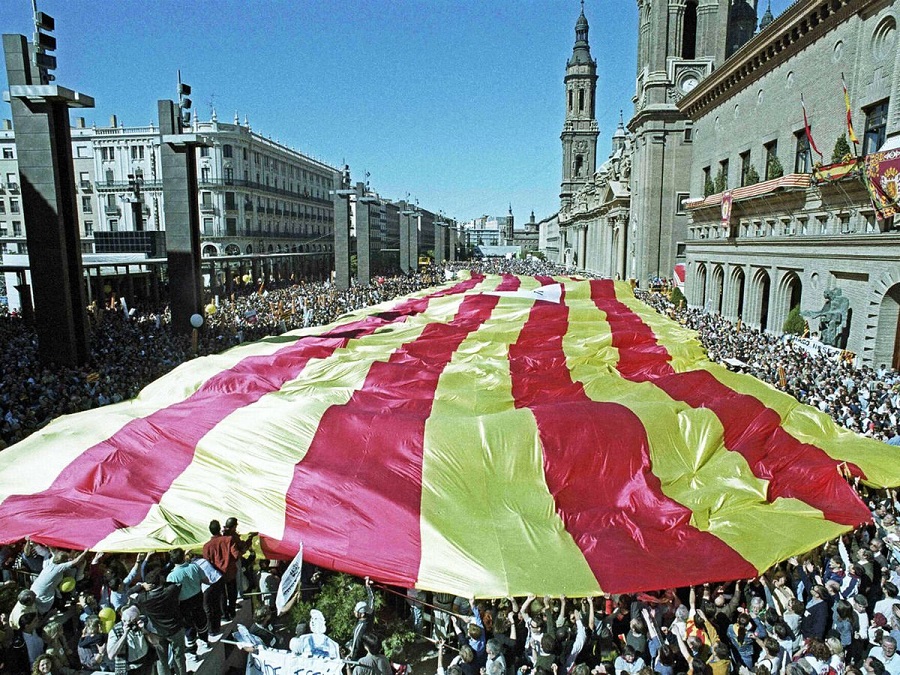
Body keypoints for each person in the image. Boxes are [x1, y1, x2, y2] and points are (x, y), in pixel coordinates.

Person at [165, 548, 209, 654]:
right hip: (198, 597)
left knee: (188, 625)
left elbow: (171, 595)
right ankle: (204, 641)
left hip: (184, 602)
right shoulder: (194, 567)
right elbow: (206, 580)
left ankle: (192, 650)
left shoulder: (171, 576)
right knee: (201, 619)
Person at [106, 604, 159, 675]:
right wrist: (124, 635)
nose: (134, 624)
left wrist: (145, 631)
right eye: (131, 621)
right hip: (128, 668)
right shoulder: (115, 630)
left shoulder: (144, 622)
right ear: (123, 620)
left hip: (145, 662)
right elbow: (111, 655)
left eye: (135, 620)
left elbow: (156, 642)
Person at [347, 577, 375, 661]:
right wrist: (368, 586)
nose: (354, 612)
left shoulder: (360, 628)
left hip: (360, 654)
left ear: (362, 614)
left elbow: (356, 644)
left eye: (356, 611)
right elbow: (372, 599)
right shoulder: (370, 614)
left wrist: (351, 658)